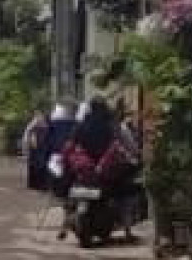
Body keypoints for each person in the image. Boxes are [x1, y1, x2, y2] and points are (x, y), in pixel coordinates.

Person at [59, 97, 140, 241]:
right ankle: (127, 229)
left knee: (66, 187)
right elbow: (126, 145)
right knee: (127, 191)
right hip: (106, 173)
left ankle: (64, 225)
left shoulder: (80, 126)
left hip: (84, 172)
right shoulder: (113, 126)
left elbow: (69, 147)